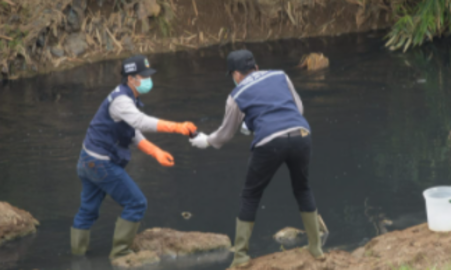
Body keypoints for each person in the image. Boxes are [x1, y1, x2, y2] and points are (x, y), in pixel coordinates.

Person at [190, 49, 324, 267]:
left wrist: (206, 141)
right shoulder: (281, 75)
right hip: (301, 134)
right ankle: (316, 248)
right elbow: (298, 108)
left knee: (250, 195)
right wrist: (254, 122)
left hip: (270, 142)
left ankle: (241, 258)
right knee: (303, 188)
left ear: (235, 74)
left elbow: (225, 134)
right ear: (256, 67)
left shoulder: (236, 95)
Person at [70, 55, 197, 259]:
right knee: (137, 203)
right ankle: (121, 253)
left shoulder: (128, 97)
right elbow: (140, 121)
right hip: (101, 163)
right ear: (131, 79)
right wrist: (177, 127)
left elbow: (132, 129)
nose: (148, 80)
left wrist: (154, 151)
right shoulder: (121, 100)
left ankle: (76, 258)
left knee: (88, 211)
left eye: (148, 75)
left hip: (87, 160)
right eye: (143, 76)